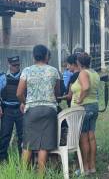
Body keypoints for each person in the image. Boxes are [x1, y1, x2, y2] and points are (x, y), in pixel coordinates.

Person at [16, 45, 60, 175]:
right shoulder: (53, 71)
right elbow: (57, 93)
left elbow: (19, 93)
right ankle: (41, 176)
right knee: (44, 146)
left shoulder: (27, 71)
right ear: (47, 56)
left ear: (33, 56)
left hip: (32, 111)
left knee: (28, 144)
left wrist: (25, 102)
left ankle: (24, 175)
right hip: (49, 110)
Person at [70, 52, 100, 175]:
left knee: (83, 139)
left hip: (84, 107)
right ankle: (93, 166)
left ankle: (85, 168)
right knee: (91, 137)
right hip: (94, 106)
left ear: (78, 62)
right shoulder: (94, 73)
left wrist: (80, 99)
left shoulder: (83, 73)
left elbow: (86, 87)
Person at [0, 56, 23, 161]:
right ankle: (3, 160)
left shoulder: (24, 76)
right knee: (5, 135)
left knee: (22, 136)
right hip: (7, 110)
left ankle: (23, 159)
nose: (16, 67)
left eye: (18, 65)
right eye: (14, 65)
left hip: (20, 110)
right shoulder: (3, 77)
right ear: (9, 65)